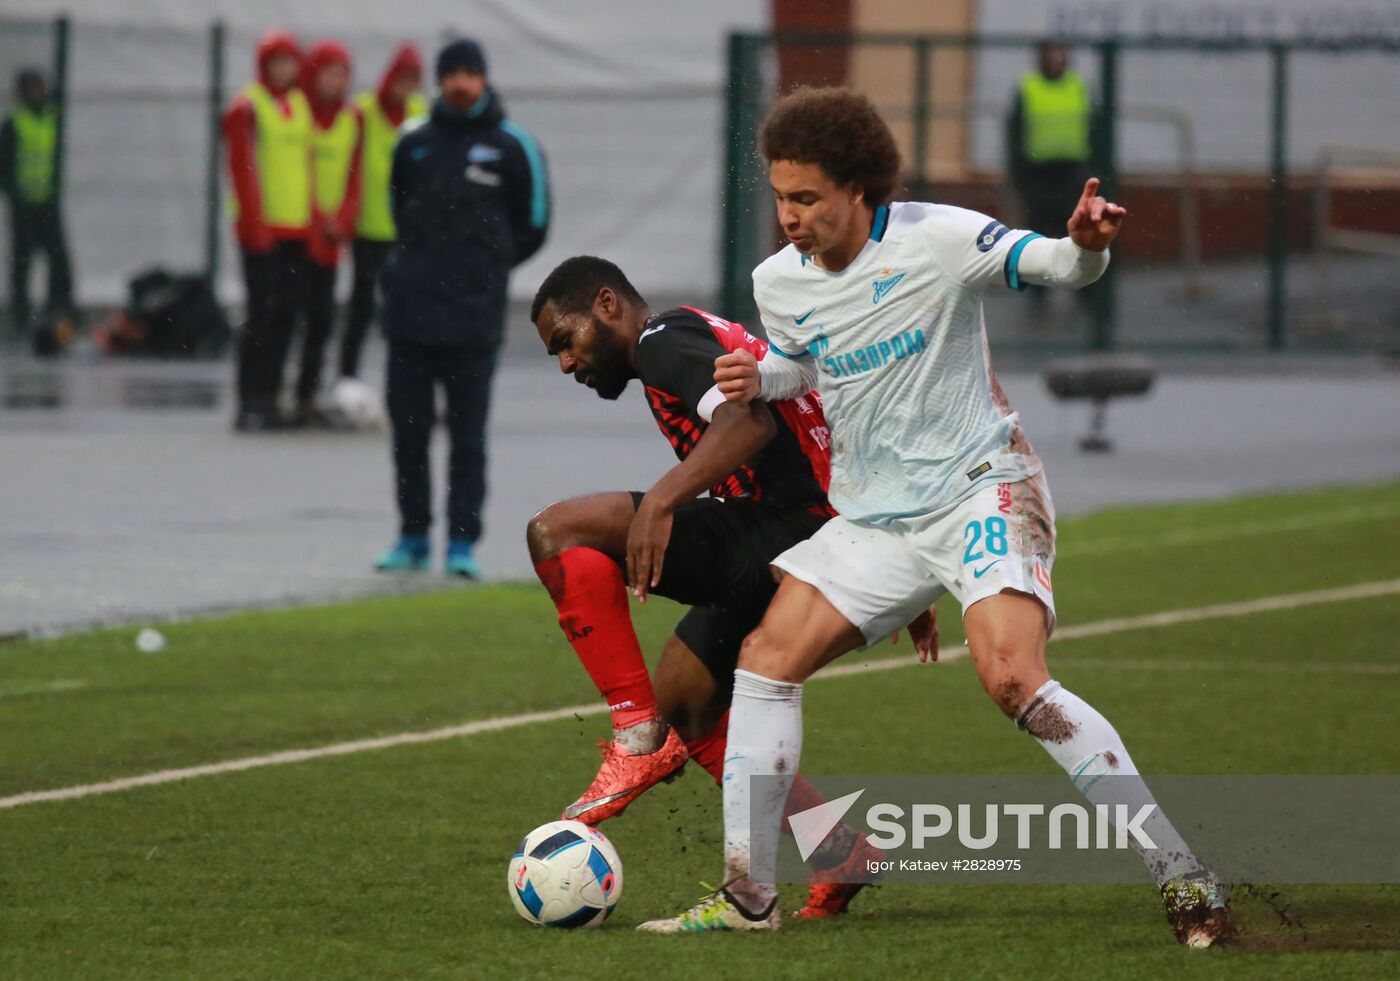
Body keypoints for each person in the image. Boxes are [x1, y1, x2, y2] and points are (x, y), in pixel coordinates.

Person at [640, 87, 1233, 947]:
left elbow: (1060, 265)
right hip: (878, 518)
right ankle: (748, 896)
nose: (789, 217)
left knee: (1012, 679)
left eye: (806, 198)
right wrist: (759, 379)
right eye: (780, 196)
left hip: (981, 488)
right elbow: (808, 367)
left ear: (859, 189)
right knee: (766, 659)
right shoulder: (779, 282)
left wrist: (1088, 246)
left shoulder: (940, 239)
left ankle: (1181, 874)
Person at [528, 255, 917, 918]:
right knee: (687, 696)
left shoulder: (660, 342)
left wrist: (659, 504)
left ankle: (634, 730)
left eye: (567, 340)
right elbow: (810, 423)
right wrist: (894, 547)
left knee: (556, 532)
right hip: (811, 529)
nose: (566, 363)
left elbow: (749, 422)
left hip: (787, 528)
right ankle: (837, 849)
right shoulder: (691, 336)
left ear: (608, 304)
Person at [374, 38, 549, 577]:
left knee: (467, 437)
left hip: (474, 320)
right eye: (453, 73)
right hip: (410, 316)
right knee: (408, 432)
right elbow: (397, 210)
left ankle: (462, 543)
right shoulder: (414, 142)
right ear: (440, 80)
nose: (462, 83)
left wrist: (485, 268)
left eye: (471, 73)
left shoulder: (514, 145)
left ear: (485, 79)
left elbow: (535, 223)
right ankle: (411, 537)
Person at [223, 30, 313, 431]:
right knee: (261, 315)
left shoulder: (298, 104)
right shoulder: (248, 107)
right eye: (279, 61)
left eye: (291, 61)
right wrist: (254, 226)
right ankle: (250, 398)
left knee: (287, 317)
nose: (286, 69)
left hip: (295, 229)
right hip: (262, 231)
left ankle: (274, 395)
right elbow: (243, 170)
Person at [337, 44, 425, 394]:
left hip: (406, 230)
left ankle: (406, 383)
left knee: (407, 311)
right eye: (400, 79)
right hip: (369, 228)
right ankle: (347, 377)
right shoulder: (365, 112)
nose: (405, 88)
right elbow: (352, 164)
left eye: (412, 81)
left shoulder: (419, 113)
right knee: (361, 307)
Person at [297, 40, 361, 427]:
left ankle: (309, 391)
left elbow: (355, 174)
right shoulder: (300, 114)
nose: (335, 82)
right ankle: (277, 391)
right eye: (329, 72)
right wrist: (319, 216)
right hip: (301, 233)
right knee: (291, 315)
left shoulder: (351, 119)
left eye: (342, 74)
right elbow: (295, 170)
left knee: (322, 318)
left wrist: (344, 219)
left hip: (331, 238)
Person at [1006, 40, 1096, 314]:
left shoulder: (1078, 87)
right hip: (1039, 175)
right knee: (1039, 239)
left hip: (1073, 174)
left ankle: (1086, 299)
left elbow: (1094, 129)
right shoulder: (1028, 88)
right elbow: (1015, 133)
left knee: (1080, 238)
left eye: (1061, 54)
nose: (1057, 59)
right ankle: (1039, 300)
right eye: (1052, 55)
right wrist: (1019, 174)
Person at [0, 68, 76, 347]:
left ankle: (60, 312)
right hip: (23, 205)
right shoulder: (15, 123)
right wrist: (13, 194)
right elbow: (5, 164)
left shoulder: (52, 118)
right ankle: (21, 316)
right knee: (22, 262)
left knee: (59, 260)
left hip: (47, 202)